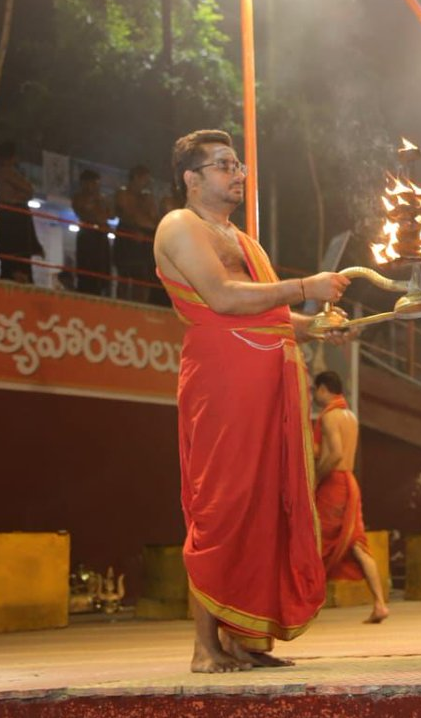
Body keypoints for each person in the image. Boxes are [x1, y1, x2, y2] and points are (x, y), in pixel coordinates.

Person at [154, 129, 351, 673]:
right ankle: (204, 646)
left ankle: (241, 638)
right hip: (223, 381)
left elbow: (265, 312)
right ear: (191, 180)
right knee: (222, 503)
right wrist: (304, 285)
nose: (236, 174)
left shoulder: (246, 242)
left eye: (237, 164)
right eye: (222, 165)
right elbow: (221, 297)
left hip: (269, 380)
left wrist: (315, 328)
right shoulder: (180, 226)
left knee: (265, 505)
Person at [311, 370, 389, 624]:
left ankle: (304, 605)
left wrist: (316, 480)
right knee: (356, 543)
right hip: (349, 481)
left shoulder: (330, 417)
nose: (314, 396)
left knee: (316, 543)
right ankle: (380, 603)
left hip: (334, 483)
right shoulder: (350, 415)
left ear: (323, 389)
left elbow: (333, 455)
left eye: (315, 391)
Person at [0, 141, 43, 283]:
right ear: (13, 156)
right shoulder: (7, 172)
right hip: (13, 217)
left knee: (12, 260)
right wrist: (21, 195)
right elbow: (29, 190)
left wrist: (19, 194)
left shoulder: (0, 173)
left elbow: (27, 191)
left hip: (11, 215)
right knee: (17, 260)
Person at [115, 164, 159, 302]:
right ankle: (121, 305)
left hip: (146, 236)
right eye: (144, 179)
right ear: (136, 178)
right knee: (125, 275)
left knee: (142, 276)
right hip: (128, 234)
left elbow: (153, 218)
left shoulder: (146, 198)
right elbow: (127, 214)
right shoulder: (123, 194)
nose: (146, 183)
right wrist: (135, 229)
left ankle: (139, 306)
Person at [72, 170, 112, 296]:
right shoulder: (79, 198)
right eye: (92, 183)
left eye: (96, 184)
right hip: (87, 234)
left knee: (103, 271)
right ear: (84, 183)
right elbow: (84, 213)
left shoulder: (102, 198)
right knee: (86, 270)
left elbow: (109, 214)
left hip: (101, 236)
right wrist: (98, 217)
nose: (95, 186)